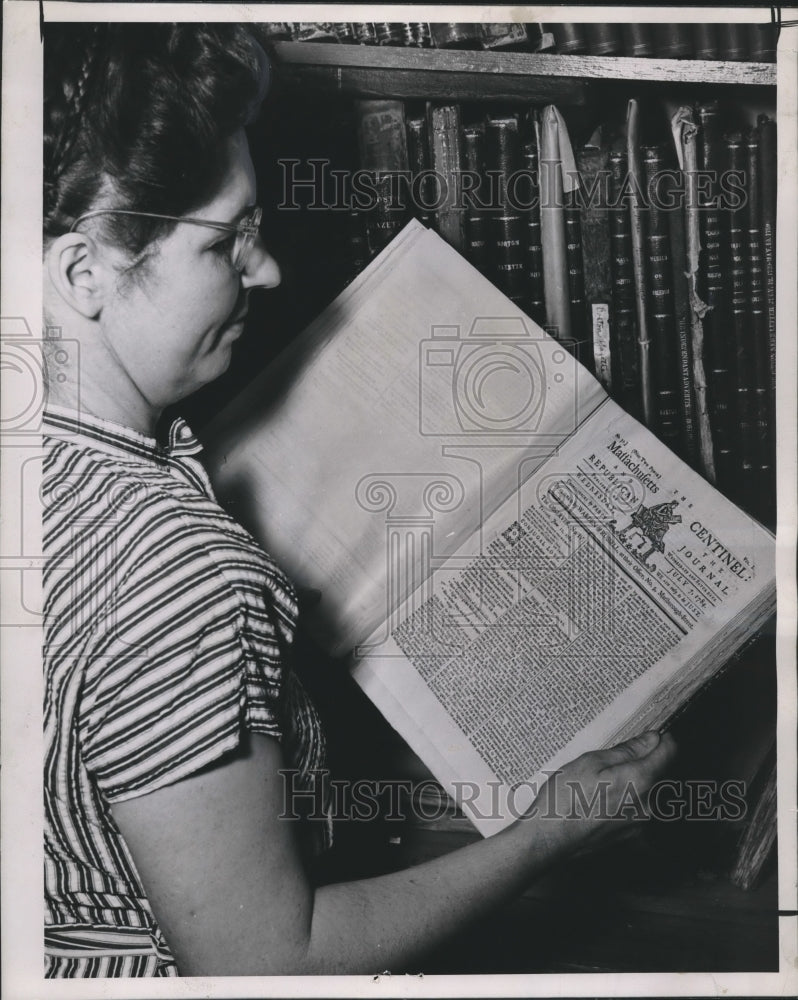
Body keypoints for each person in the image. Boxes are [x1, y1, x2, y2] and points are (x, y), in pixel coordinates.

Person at [42, 22, 676, 978]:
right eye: (229, 242)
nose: (270, 271)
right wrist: (551, 836)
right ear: (84, 273)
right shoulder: (172, 566)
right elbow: (260, 962)